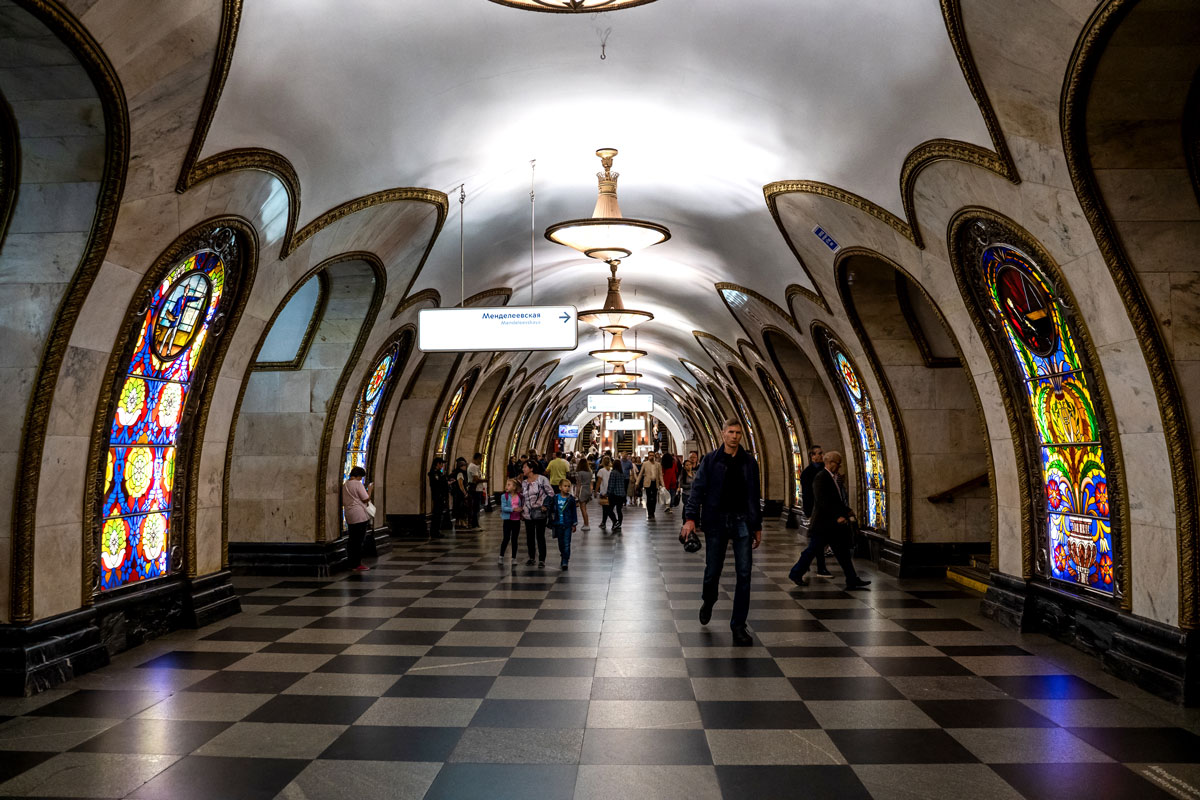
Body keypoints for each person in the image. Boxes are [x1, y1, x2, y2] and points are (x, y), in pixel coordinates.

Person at [681, 419, 762, 646]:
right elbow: (697, 491)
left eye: (738, 433)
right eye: (731, 432)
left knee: (744, 574)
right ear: (722, 434)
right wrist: (690, 519)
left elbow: (754, 495)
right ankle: (709, 599)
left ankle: (738, 626)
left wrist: (757, 526)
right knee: (713, 570)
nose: (734, 436)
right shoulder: (710, 461)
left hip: (742, 521)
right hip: (716, 521)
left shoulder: (749, 463)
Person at [789, 450, 871, 590]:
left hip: (832, 526)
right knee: (812, 550)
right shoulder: (821, 477)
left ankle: (852, 579)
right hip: (823, 525)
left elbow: (836, 499)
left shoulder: (833, 477)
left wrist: (846, 510)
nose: (839, 466)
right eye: (838, 463)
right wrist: (837, 516)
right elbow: (822, 501)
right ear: (830, 463)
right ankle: (795, 573)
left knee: (842, 552)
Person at [799, 445, 833, 578]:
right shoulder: (807, 473)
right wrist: (808, 512)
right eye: (818, 454)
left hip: (824, 511)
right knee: (818, 541)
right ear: (812, 456)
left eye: (822, 453)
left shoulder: (825, 471)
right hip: (815, 511)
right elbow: (807, 494)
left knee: (819, 541)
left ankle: (808, 560)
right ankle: (820, 567)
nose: (821, 456)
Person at [520, 459, 552, 567]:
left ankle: (542, 559)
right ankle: (531, 557)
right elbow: (523, 497)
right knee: (529, 536)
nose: (523, 469)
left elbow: (550, 493)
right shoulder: (524, 482)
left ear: (531, 468)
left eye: (525, 467)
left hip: (539, 512)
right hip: (527, 513)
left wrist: (545, 505)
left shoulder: (542, 480)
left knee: (540, 536)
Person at [342, 467, 374, 571]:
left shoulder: (345, 484)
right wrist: (370, 490)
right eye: (361, 477)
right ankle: (357, 564)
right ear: (358, 475)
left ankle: (351, 563)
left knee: (352, 539)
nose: (361, 479)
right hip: (359, 515)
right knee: (359, 540)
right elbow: (365, 499)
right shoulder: (357, 484)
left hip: (349, 514)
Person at [551, 478, 578, 570]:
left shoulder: (571, 499)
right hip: (558, 523)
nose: (567, 488)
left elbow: (574, 512)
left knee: (566, 543)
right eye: (565, 486)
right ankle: (563, 554)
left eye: (568, 486)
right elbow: (552, 509)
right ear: (560, 487)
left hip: (567, 524)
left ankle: (565, 560)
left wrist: (574, 524)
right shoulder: (555, 498)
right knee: (560, 543)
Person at [499, 478, 522, 564]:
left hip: (516, 520)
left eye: (509, 485)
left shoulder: (520, 496)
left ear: (514, 487)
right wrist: (513, 509)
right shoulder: (504, 496)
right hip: (507, 520)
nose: (506, 486)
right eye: (506, 484)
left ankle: (514, 558)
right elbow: (503, 508)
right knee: (506, 538)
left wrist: (521, 510)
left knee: (514, 539)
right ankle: (501, 556)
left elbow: (521, 505)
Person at [427, 457, 449, 539]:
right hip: (437, 496)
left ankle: (437, 531)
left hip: (441, 496)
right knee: (436, 515)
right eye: (441, 463)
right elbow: (437, 484)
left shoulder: (439, 473)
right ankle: (434, 532)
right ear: (437, 464)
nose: (442, 465)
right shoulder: (434, 473)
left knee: (439, 515)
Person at [604, 455, 627, 532]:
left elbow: (611, 484)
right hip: (621, 494)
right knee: (619, 510)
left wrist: (608, 493)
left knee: (609, 509)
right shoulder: (622, 473)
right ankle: (619, 524)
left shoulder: (613, 473)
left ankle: (615, 522)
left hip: (614, 494)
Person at [638, 452, 663, 518]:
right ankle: (649, 512)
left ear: (654, 456)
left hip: (655, 482)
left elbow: (660, 475)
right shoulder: (645, 464)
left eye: (652, 455)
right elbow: (640, 474)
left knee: (654, 498)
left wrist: (663, 484)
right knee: (648, 498)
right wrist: (637, 482)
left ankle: (653, 512)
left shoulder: (658, 464)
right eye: (650, 455)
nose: (651, 456)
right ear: (648, 456)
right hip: (647, 483)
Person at [450, 457, 471, 531]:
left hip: (457, 494)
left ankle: (458, 523)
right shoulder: (460, 473)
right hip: (460, 494)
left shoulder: (457, 472)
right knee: (462, 508)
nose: (466, 467)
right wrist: (465, 493)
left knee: (458, 508)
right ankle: (462, 523)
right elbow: (461, 484)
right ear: (461, 466)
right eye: (464, 465)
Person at [467, 452, 484, 529]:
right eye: (480, 459)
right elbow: (476, 479)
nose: (481, 461)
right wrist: (485, 480)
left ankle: (475, 523)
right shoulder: (473, 467)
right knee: (475, 507)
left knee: (476, 507)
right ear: (477, 458)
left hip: (478, 489)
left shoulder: (475, 466)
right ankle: (474, 523)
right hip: (475, 490)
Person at [574, 457, 592, 530]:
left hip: (582, 489)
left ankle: (586, 524)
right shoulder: (590, 472)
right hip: (588, 489)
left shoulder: (579, 473)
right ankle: (586, 523)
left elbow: (578, 484)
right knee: (585, 508)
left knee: (583, 508)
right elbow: (591, 482)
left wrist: (576, 493)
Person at [595, 456, 613, 531]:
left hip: (603, 491)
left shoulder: (601, 471)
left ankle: (613, 521)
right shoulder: (611, 470)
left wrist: (596, 490)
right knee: (607, 508)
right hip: (611, 491)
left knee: (605, 508)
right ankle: (603, 522)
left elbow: (599, 482)